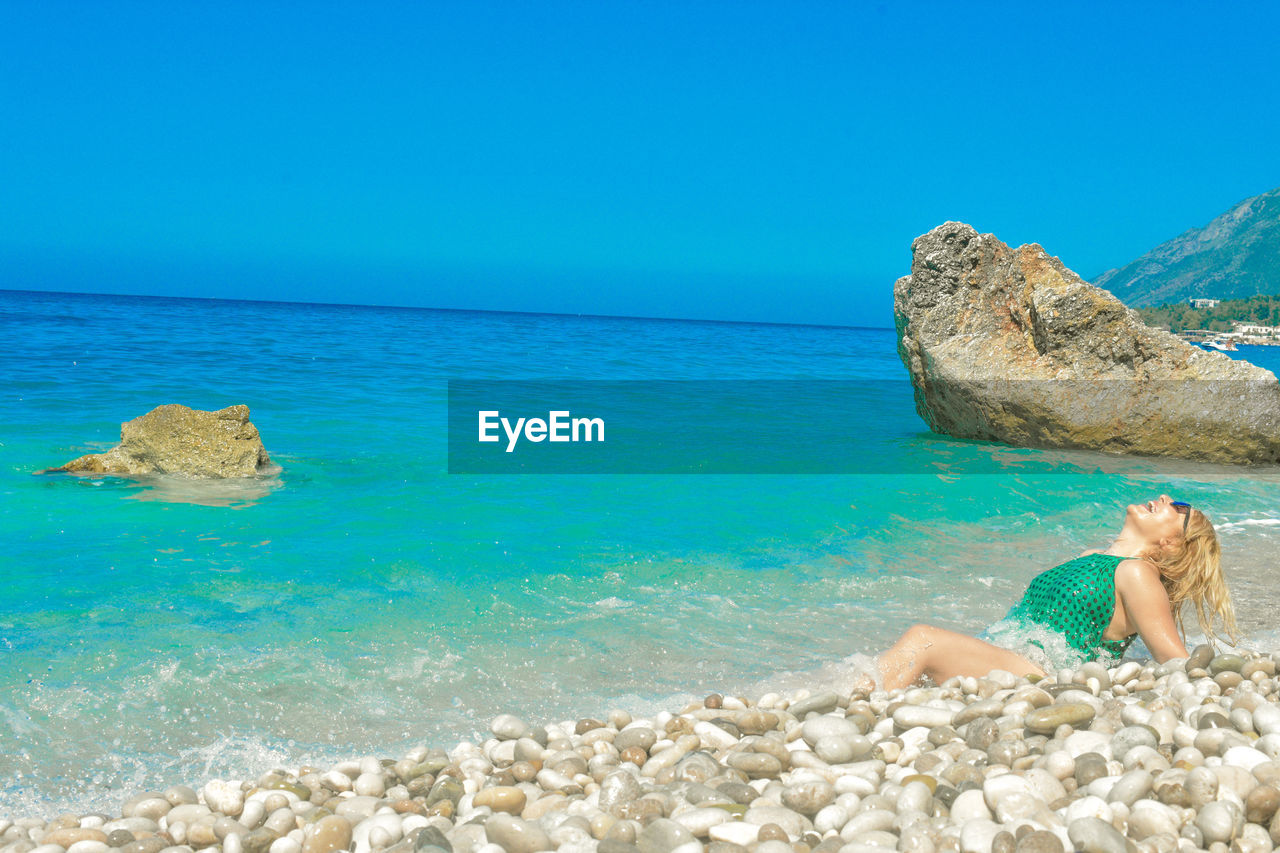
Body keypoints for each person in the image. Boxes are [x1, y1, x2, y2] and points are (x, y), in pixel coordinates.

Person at [875, 495, 1240, 692]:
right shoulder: (1090, 558)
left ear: (1171, 544)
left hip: (1042, 676)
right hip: (1011, 657)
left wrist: (1217, 686)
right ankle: (858, 700)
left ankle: (853, 705)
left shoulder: (1138, 574)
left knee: (923, 639)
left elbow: (1174, 658)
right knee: (917, 661)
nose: (1164, 497)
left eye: (1178, 509)